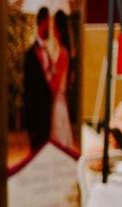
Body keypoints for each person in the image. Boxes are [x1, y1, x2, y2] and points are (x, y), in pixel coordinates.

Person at [24, 7, 53, 151]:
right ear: (41, 23)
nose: (50, 26)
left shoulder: (48, 51)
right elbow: (28, 88)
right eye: (48, 21)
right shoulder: (30, 54)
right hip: (36, 115)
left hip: (47, 112)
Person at [49, 10, 73, 149]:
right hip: (60, 100)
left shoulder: (63, 53)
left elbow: (56, 83)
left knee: (59, 137)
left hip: (57, 100)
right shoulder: (63, 51)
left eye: (54, 27)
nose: (53, 31)